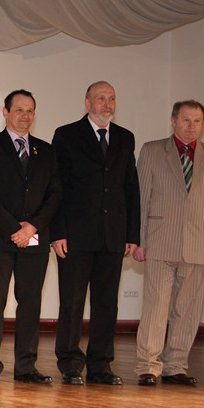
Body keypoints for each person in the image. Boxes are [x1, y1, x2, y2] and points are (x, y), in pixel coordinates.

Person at [133, 100, 204, 386]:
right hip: (159, 241)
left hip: (198, 245)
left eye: (197, 121)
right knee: (156, 308)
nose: (191, 126)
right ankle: (148, 366)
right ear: (173, 121)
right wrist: (137, 240)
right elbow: (141, 199)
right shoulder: (152, 151)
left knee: (187, 310)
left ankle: (175, 366)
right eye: (186, 120)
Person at [50, 81, 140, 385]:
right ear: (87, 103)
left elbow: (131, 188)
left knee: (106, 303)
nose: (107, 104)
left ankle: (101, 365)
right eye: (101, 98)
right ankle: (70, 362)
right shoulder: (66, 135)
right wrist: (57, 232)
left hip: (112, 236)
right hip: (75, 236)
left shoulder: (125, 138)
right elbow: (57, 187)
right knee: (72, 302)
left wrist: (132, 234)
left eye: (112, 98)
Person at [0, 90, 61, 384]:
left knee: (30, 304)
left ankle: (26, 367)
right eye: (20, 110)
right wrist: (15, 228)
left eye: (30, 110)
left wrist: (31, 227)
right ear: (5, 112)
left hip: (34, 240)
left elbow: (55, 195)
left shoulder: (46, 151)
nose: (26, 116)